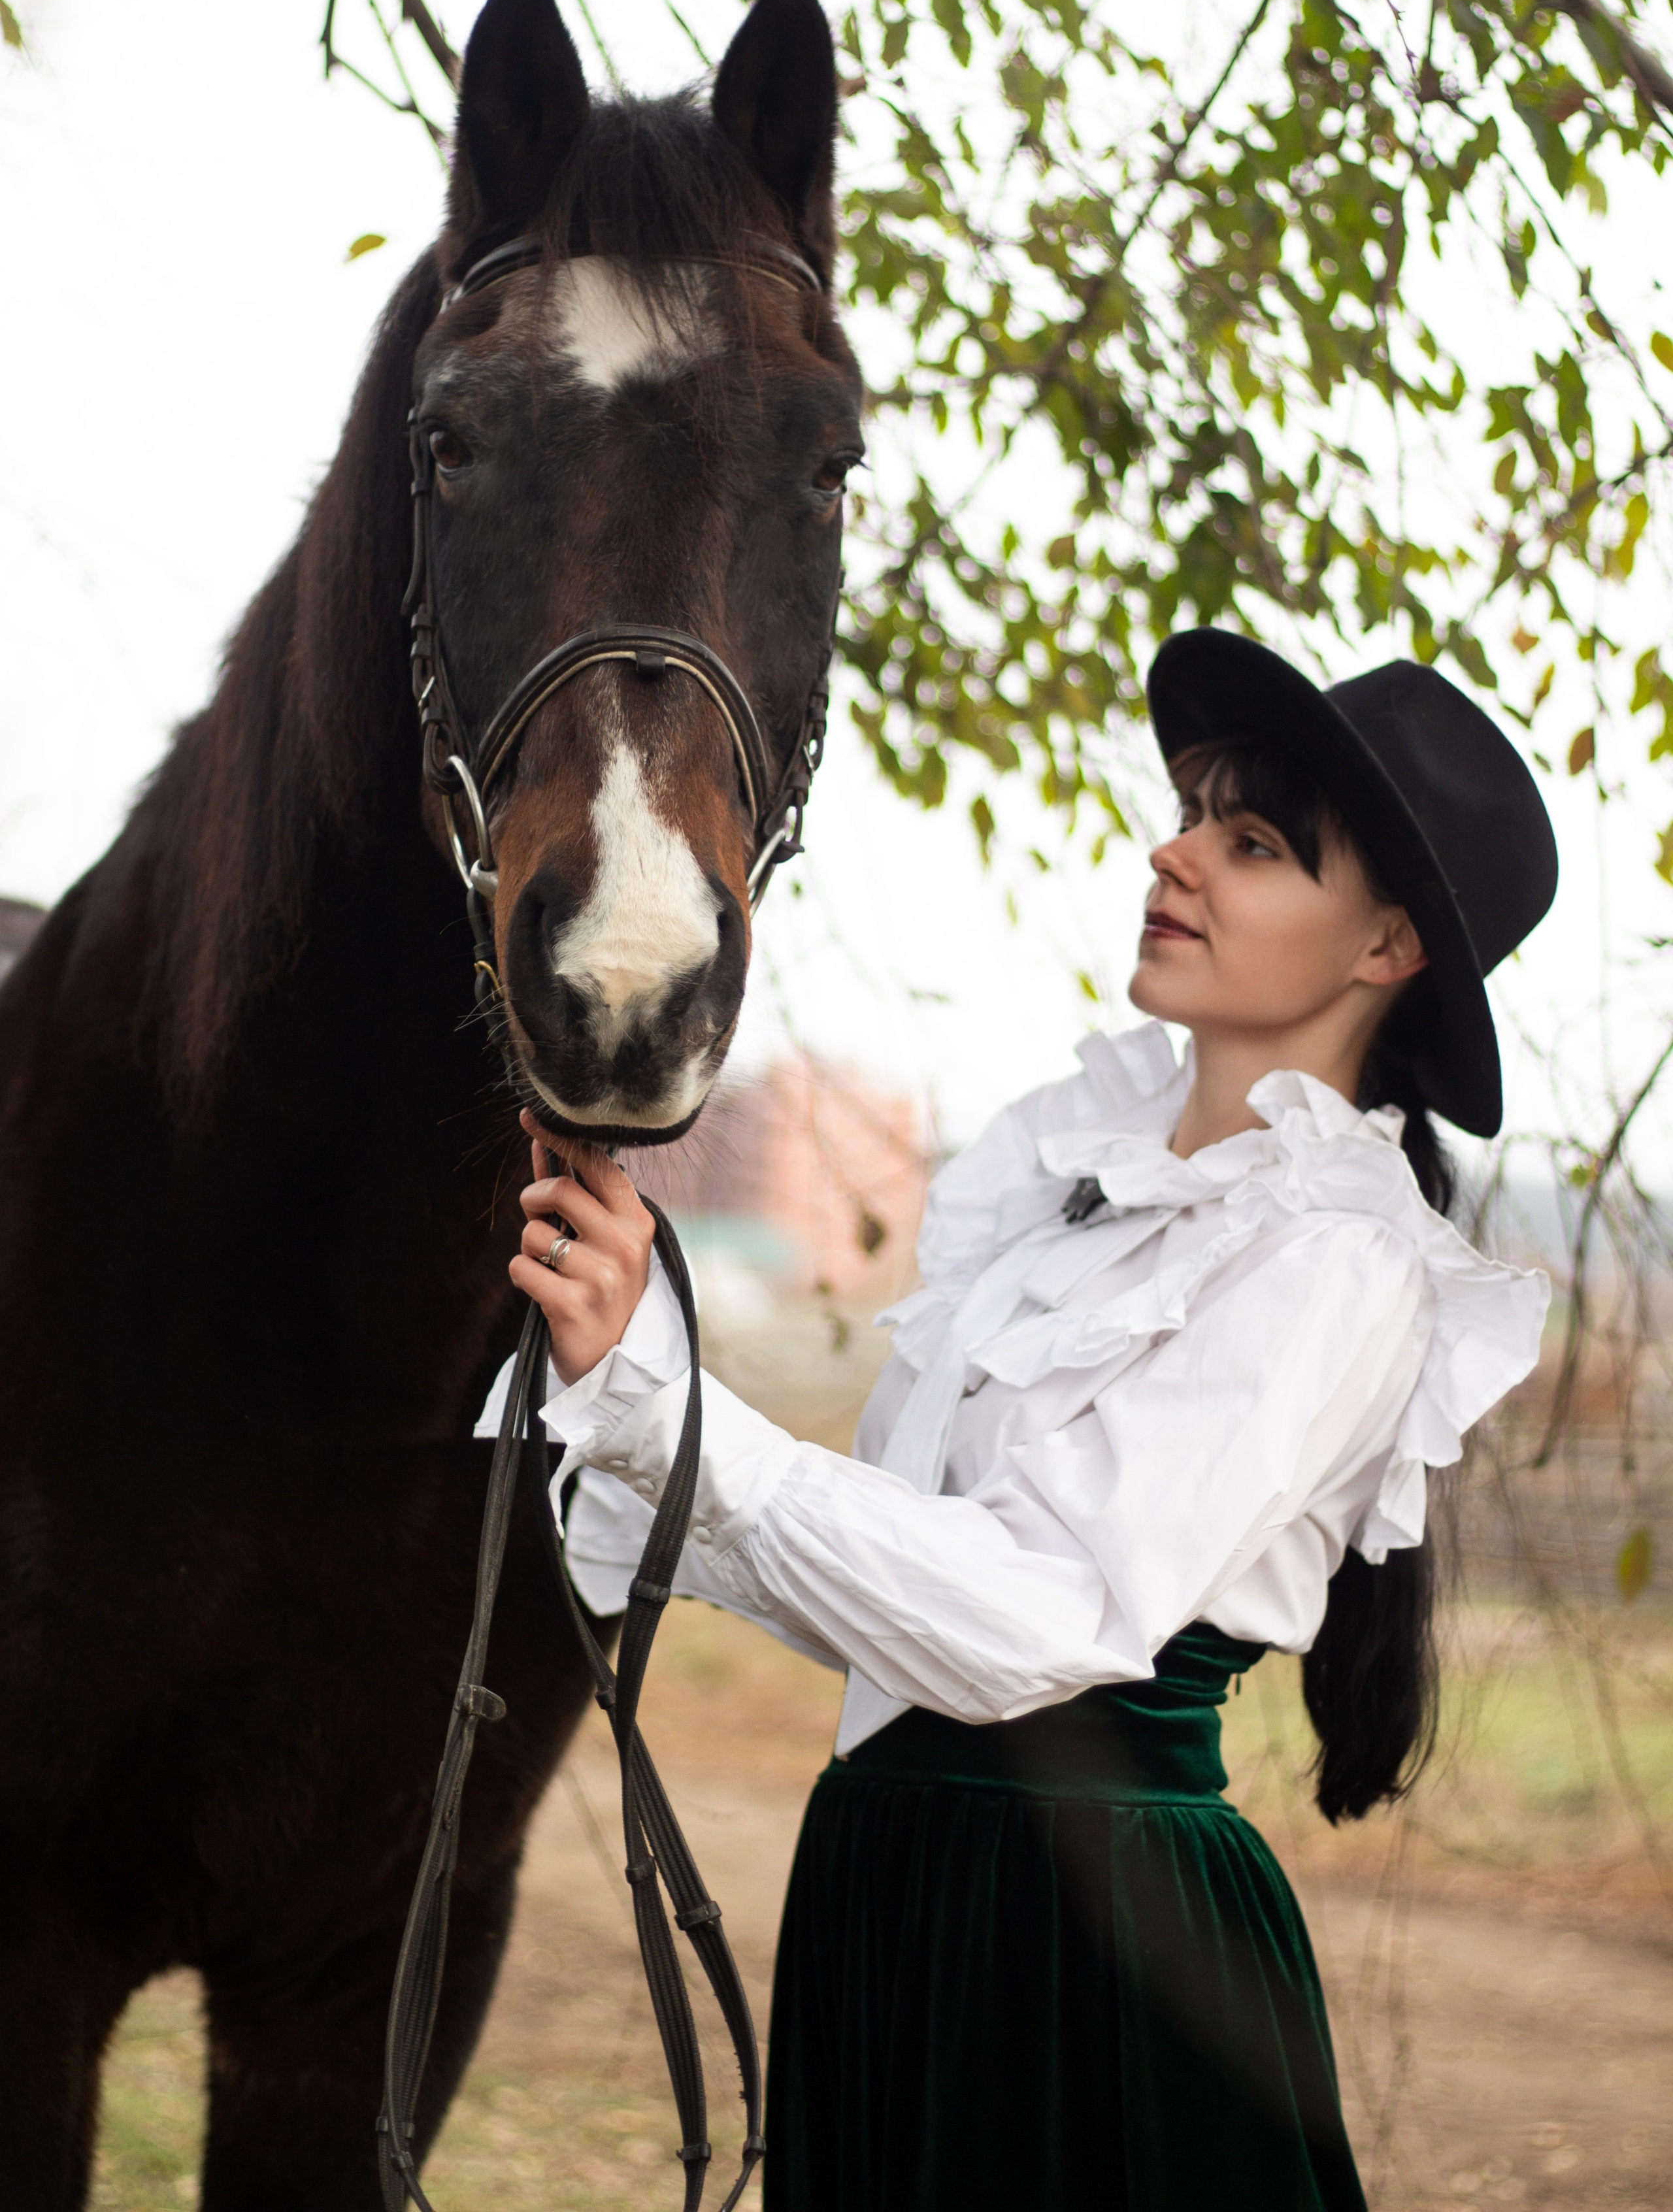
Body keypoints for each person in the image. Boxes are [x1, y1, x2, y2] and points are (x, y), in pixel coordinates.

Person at [480, 627, 1558, 2209]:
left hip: (1093, 1942)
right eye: (1193, 810)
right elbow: (890, 1593)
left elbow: (1026, 1615)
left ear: (1384, 945)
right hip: (893, 1890)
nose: (1171, 852)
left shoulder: (1339, 1254)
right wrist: (620, 1368)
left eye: (1249, 843)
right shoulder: (1062, 1188)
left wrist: (672, 1401)